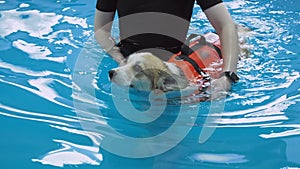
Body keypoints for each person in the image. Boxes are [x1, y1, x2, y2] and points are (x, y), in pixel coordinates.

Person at [94, 0, 240, 95]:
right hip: (128, 61)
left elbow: (226, 26)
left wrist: (227, 75)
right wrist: (119, 58)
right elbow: (101, 30)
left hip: (176, 65)